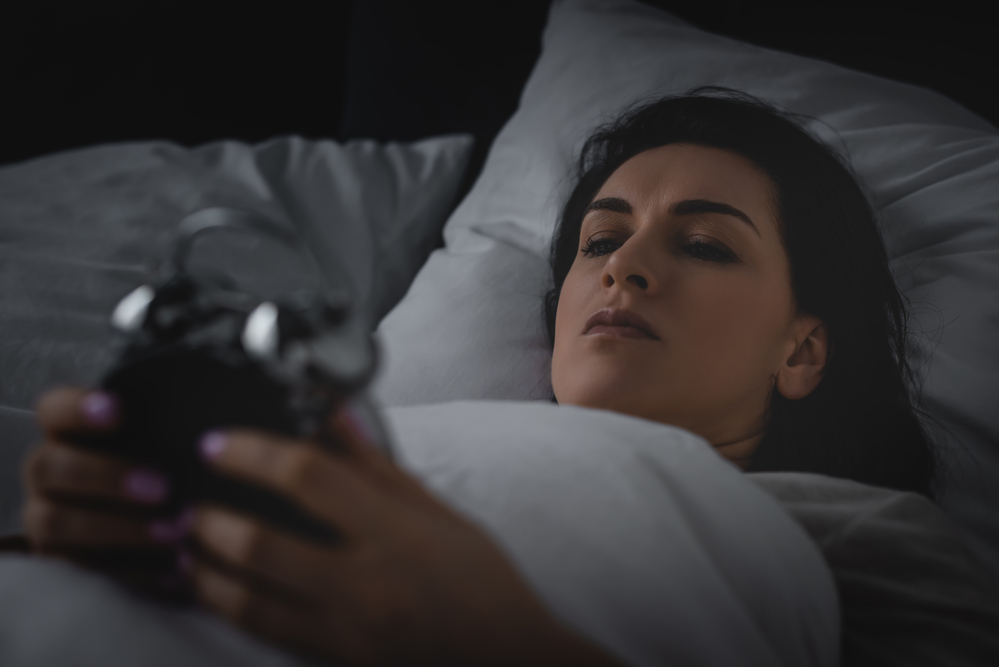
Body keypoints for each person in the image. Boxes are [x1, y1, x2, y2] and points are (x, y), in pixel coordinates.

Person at [16, 88, 944, 664]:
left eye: (703, 244)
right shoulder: (376, 427)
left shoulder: (865, 531)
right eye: (601, 240)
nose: (622, 269)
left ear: (801, 350)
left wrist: (490, 639)